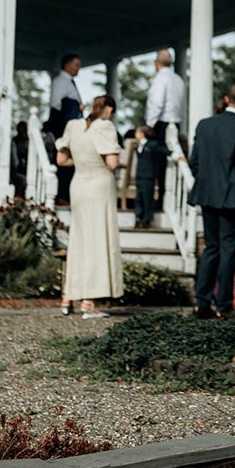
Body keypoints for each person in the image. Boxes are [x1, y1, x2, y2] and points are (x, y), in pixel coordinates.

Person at [190, 81, 235, 319]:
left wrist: (208, 182)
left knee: (211, 248)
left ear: (227, 99)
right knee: (228, 250)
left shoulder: (205, 125)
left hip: (207, 194)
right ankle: (224, 306)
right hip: (232, 196)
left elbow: (194, 162)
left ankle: (201, 302)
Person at [59, 94, 123, 317]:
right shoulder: (104, 127)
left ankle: (68, 297)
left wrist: (84, 161)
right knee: (97, 241)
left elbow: (61, 160)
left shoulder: (74, 126)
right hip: (98, 185)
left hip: (78, 185)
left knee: (79, 240)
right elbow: (112, 164)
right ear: (109, 110)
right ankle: (89, 302)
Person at [144, 50, 187, 208]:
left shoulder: (161, 79)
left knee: (158, 160)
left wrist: (149, 124)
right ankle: (167, 198)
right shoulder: (179, 80)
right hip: (176, 122)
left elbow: (156, 103)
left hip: (161, 123)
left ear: (157, 63)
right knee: (171, 158)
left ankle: (158, 199)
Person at [48, 53, 84, 139]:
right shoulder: (60, 81)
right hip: (64, 126)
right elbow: (56, 103)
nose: (78, 68)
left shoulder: (69, 81)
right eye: (76, 65)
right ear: (67, 65)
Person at [133, 124, 157, 229]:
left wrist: (175, 155)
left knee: (147, 198)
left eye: (138, 132)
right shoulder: (138, 145)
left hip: (148, 175)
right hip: (140, 175)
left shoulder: (152, 145)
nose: (136, 134)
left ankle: (147, 219)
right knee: (139, 198)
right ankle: (138, 218)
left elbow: (162, 150)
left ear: (143, 134)